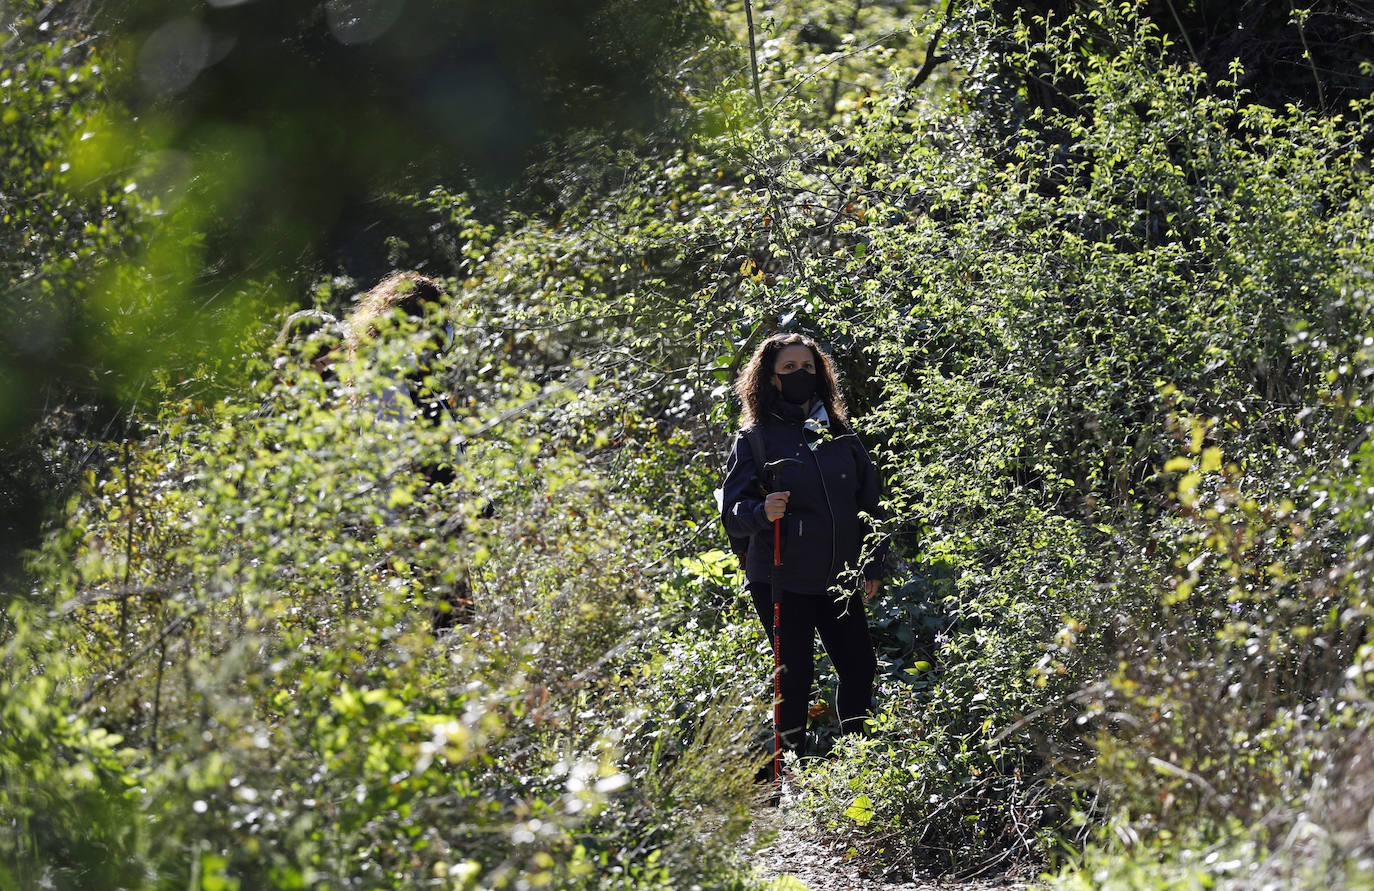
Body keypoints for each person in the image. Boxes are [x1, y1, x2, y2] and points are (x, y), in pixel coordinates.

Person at [719, 332, 887, 766]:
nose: (800, 375)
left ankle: (859, 764)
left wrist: (872, 562)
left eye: (808, 368)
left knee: (859, 669)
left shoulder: (839, 434)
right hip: (781, 578)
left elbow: (871, 504)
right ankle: (789, 777)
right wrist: (762, 511)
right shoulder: (754, 439)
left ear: (821, 374)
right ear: (770, 379)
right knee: (792, 681)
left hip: (840, 577)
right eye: (789, 369)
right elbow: (733, 512)